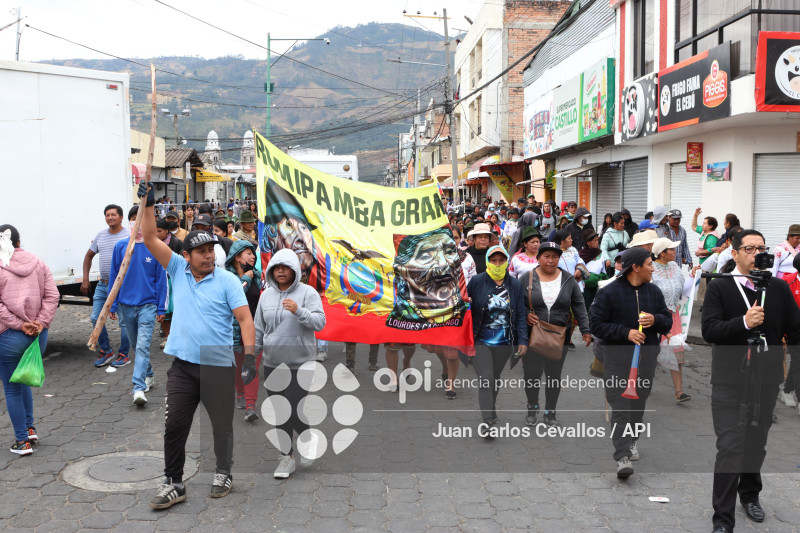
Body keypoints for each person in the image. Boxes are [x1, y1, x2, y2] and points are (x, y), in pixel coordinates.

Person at [136, 183, 255, 509]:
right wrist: (146, 204)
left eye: (211, 251)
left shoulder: (228, 280)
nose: (208, 255)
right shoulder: (177, 269)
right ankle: (174, 483)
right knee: (174, 426)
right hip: (183, 365)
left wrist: (250, 355)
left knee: (220, 426)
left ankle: (223, 472)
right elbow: (149, 237)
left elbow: (245, 320)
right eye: (201, 251)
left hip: (218, 362)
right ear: (186, 255)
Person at [701, 229, 800, 533]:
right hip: (730, 381)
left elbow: (795, 331)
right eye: (750, 249)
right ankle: (723, 520)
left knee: (756, 444)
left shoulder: (779, 290)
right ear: (735, 254)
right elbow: (710, 331)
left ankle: (750, 495)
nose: (757, 254)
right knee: (730, 446)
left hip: (766, 380)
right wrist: (743, 322)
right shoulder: (721, 286)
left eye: (762, 248)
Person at [590, 247, 672, 479]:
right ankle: (622, 456)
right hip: (616, 360)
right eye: (649, 264)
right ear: (635, 267)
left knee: (638, 405)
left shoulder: (654, 292)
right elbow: (596, 325)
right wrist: (625, 333)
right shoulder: (609, 292)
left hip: (646, 361)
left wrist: (655, 319)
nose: (652, 268)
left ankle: (633, 440)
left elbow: (666, 321)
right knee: (620, 407)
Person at [255, 248, 326, 479]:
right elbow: (258, 328)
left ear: (295, 270)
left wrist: (300, 312)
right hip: (273, 362)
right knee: (279, 412)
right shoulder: (265, 296)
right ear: (271, 271)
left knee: (293, 407)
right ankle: (286, 457)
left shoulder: (307, 293)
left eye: (286, 267)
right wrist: (250, 357)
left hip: (301, 363)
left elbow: (320, 323)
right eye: (277, 267)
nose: (281, 271)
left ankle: (307, 440)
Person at [0, 225, 58, 455]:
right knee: (22, 381)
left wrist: (19, 324)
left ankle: (22, 441)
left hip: (10, 336)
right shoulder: (38, 262)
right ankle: (30, 428)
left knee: (12, 388)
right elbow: (53, 295)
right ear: (18, 241)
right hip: (37, 337)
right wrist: (41, 322)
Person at [522, 242, 592, 427]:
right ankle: (532, 406)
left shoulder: (568, 280)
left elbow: (578, 305)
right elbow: (515, 304)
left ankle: (550, 411)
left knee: (554, 375)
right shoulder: (526, 278)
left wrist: (585, 329)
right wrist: (525, 314)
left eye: (554, 257)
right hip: (532, 335)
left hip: (559, 335)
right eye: (546, 256)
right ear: (538, 258)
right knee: (532, 374)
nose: (550, 260)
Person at [107, 207, 168, 405]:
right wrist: (112, 304)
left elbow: (161, 280)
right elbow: (115, 277)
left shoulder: (155, 247)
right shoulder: (121, 247)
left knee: (142, 346)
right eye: (134, 219)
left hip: (147, 306)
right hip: (126, 305)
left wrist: (161, 307)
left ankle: (138, 388)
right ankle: (148, 374)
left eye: (141, 219)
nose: (137, 223)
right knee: (136, 346)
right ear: (129, 221)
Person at [466, 246, 528, 435]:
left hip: (504, 342)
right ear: (487, 261)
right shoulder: (477, 281)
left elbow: (519, 315)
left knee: (495, 378)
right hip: (480, 340)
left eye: (502, 260)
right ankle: (488, 422)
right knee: (486, 379)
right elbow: (465, 309)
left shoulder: (515, 285)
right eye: (494, 260)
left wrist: (523, 340)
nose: (498, 264)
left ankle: (490, 408)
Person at [81, 204, 130, 368]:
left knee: (124, 322)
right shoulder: (100, 236)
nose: (110, 218)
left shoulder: (128, 236)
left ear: (121, 217)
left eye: (113, 215)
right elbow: (88, 256)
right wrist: (85, 279)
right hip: (103, 285)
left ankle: (123, 354)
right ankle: (107, 351)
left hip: (123, 286)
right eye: (107, 215)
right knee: (96, 317)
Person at [650, 237, 691, 403]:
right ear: (661, 253)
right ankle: (643, 383)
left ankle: (679, 392)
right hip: (655, 317)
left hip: (673, 315)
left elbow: (684, 288)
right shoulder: (650, 268)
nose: (675, 252)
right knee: (650, 354)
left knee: (677, 352)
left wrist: (693, 277)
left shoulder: (674, 266)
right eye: (672, 250)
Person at [225, 240, 262, 422]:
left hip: (255, 330)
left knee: (251, 366)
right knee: (238, 365)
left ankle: (250, 406)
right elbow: (236, 292)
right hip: (234, 331)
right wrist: (246, 278)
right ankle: (239, 392)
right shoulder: (226, 278)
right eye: (248, 253)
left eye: (253, 253)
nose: (253, 256)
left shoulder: (256, 275)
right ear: (237, 257)